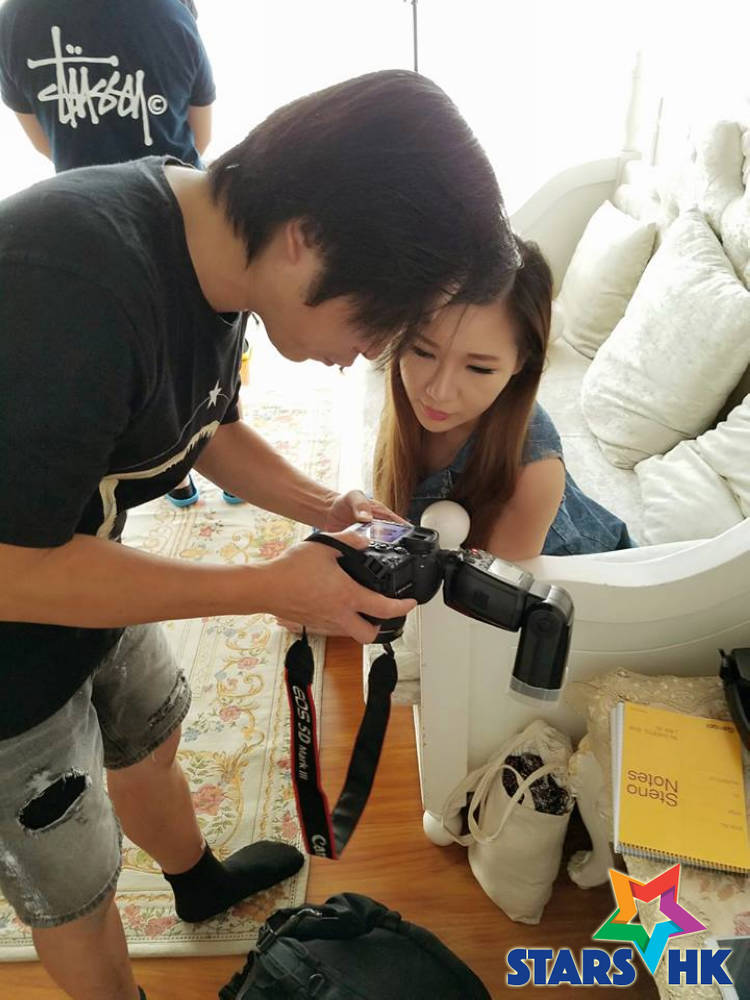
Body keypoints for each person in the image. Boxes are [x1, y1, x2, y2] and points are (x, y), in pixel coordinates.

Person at [0, 70, 519, 1000]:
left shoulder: (211, 249)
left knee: (148, 733)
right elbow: (9, 568)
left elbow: (204, 420)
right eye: (376, 321)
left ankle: (195, 882)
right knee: (73, 888)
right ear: (304, 239)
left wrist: (325, 509)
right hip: (13, 631)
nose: (369, 353)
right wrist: (265, 585)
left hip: (82, 553)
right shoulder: (70, 289)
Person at [373, 237, 635, 561]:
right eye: (423, 351)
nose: (438, 392)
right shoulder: (406, 388)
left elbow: (492, 588)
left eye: (479, 368)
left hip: (581, 576)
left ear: (521, 362)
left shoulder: (536, 475)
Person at [0, 0, 215, 172]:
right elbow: (201, 133)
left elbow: (43, 141)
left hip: (85, 202)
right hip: (177, 197)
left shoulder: (12, 20)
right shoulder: (173, 9)